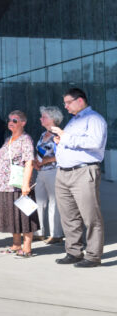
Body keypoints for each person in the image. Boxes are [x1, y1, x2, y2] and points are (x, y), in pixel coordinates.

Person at [50, 88, 107, 268]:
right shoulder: (74, 121)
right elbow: (70, 141)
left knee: (91, 216)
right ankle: (73, 251)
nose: (65, 106)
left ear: (80, 101)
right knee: (68, 216)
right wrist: (61, 142)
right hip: (64, 172)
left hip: (83, 172)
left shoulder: (94, 119)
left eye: (68, 102)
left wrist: (65, 137)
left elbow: (95, 143)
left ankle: (93, 256)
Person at [0, 110, 38, 258]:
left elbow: (29, 162)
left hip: (18, 184)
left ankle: (27, 247)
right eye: (9, 120)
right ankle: (16, 244)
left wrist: (25, 184)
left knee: (24, 215)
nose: (10, 122)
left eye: (15, 120)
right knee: (12, 216)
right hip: (4, 185)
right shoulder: (8, 139)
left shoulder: (25, 139)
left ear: (23, 123)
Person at [34, 106, 64, 245]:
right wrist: (36, 162)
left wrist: (46, 160)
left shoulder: (58, 135)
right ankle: (39, 232)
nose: (41, 118)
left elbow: (63, 155)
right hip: (41, 172)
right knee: (39, 201)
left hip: (53, 171)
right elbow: (40, 152)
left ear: (53, 119)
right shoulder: (43, 134)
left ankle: (56, 233)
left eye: (44, 117)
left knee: (54, 202)